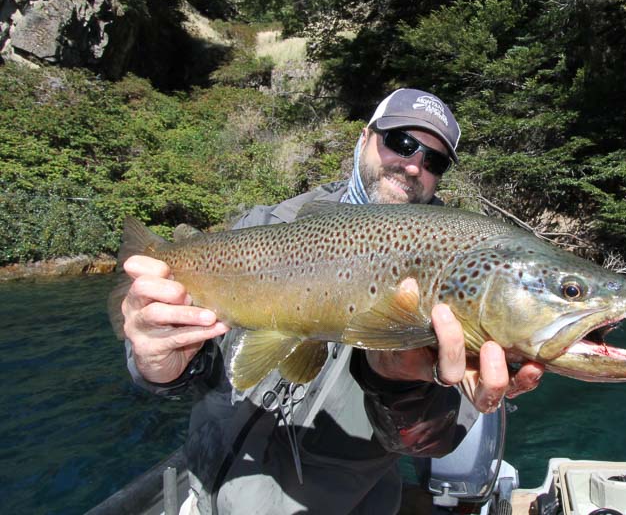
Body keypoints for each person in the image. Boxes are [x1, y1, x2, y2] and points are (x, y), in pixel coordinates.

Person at [119, 88, 545, 514]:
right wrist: (160, 367)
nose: (414, 163)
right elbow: (186, 364)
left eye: (434, 161)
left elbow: (428, 442)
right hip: (206, 496)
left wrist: (401, 385)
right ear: (365, 138)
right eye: (401, 142)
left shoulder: (459, 274)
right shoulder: (263, 226)